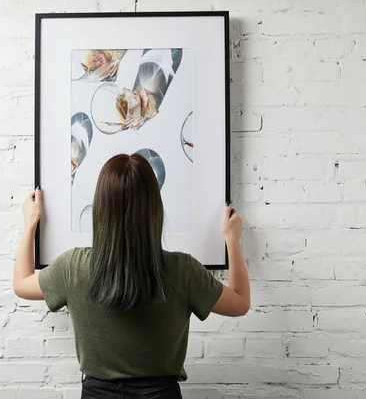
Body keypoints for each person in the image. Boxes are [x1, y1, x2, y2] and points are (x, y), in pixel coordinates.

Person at [13, 153, 250, 399]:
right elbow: (240, 303)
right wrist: (232, 239)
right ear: (154, 207)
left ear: (101, 207)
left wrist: (30, 224)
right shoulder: (182, 269)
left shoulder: (73, 266)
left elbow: (21, 284)